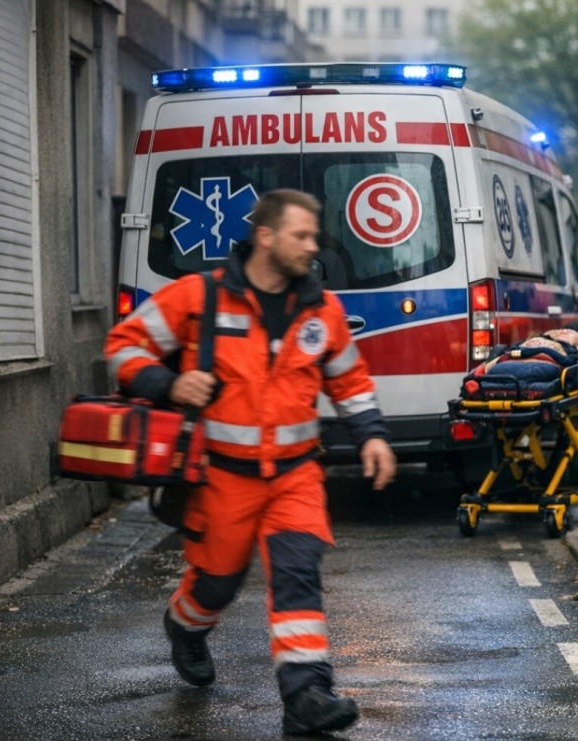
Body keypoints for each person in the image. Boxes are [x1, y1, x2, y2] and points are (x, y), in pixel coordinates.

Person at [105, 189, 397, 736]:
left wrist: (372, 437)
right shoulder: (199, 298)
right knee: (214, 586)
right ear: (266, 236)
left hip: (294, 475)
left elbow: (350, 383)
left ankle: (307, 695)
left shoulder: (321, 309)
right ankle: (185, 628)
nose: (313, 247)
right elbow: (123, 346)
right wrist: (168, 382)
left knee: (296, 574)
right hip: (222, 478)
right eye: (302, 236)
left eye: (314, 236)